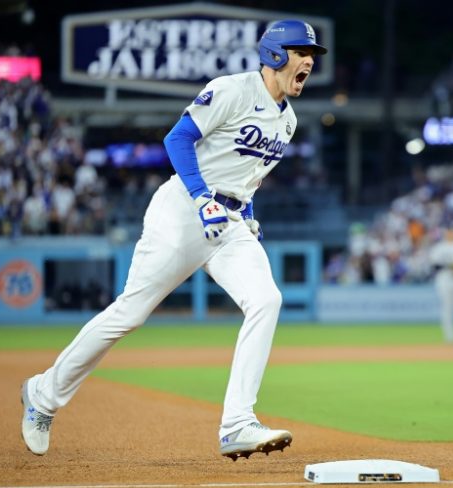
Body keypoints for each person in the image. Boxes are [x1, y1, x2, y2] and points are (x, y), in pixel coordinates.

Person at [20, 20, 328, 461]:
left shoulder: (289, 121)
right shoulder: (232, 90)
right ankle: (42, 395)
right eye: (302, 52)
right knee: (129, 314)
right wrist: (203, 198)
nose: (309, 62)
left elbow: (248, 175)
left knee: (266, 300)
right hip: (184, 208)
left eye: (312, 55)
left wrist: (250, 215)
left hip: (231, 223)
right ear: (276, 54)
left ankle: (237, 423)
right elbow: (178, 137)